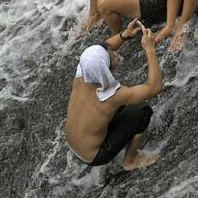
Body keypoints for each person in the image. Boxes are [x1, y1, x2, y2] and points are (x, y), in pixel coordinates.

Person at [66, 19, 161, 169]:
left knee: (116, 110)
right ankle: (131, 159)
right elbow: (154, 87)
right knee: (142, 110)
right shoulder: (112, 95)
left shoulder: (82, 72)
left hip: (73, 144)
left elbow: (103, 48)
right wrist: (150, 49)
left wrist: (124, 34)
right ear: (105, 69)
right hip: (95, 156)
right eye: (112, 56)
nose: (114, 52)